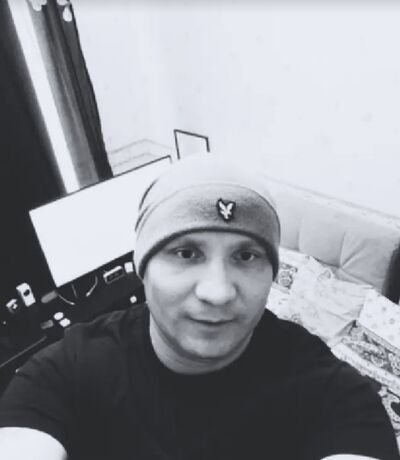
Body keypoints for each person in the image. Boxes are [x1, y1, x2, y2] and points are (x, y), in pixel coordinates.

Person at [0, 156, 399, 460]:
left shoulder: (331, 392)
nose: (218, 292)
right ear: (143, 269)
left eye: (246, 256)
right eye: (186, 253)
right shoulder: (65, 372)